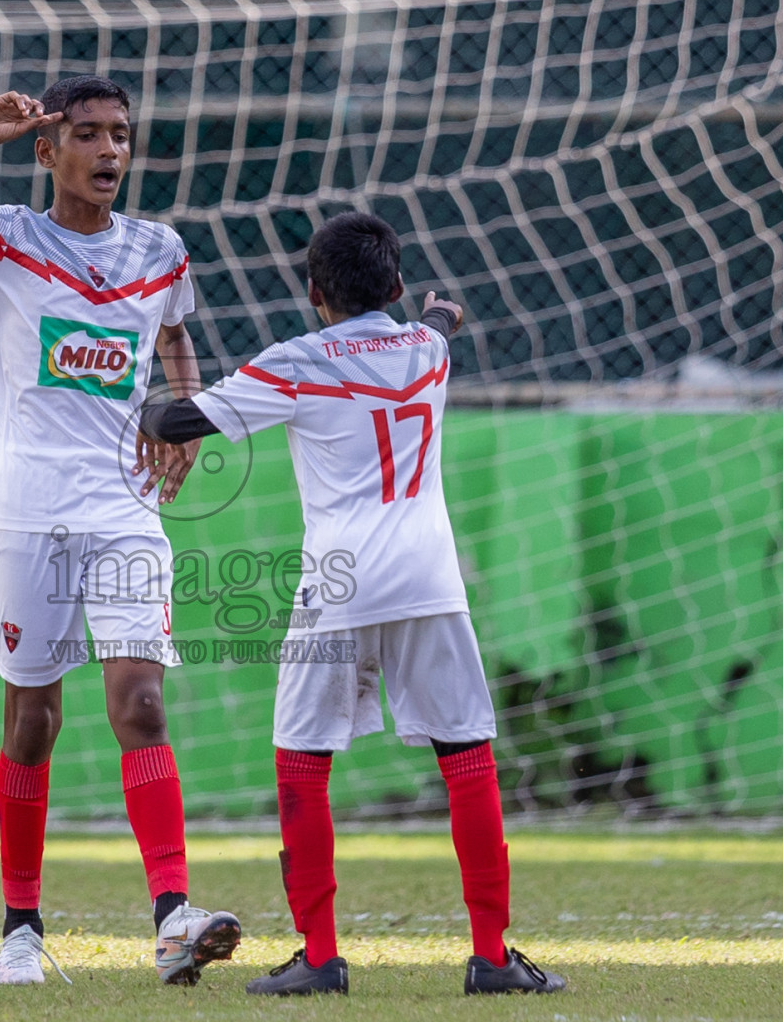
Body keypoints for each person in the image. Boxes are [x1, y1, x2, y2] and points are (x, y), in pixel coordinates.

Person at [0, 75, 240, 987]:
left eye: (121, 134)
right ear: (47, 150)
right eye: (90, 135)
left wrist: (180, 415)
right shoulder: (0, 241)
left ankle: (174, 918)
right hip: (26, 510)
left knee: (141, 700)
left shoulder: (160, 250)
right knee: (34, 717)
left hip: (123, 511)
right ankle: (20, 930)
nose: (110, 151)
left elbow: (177, 333)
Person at [140, 212, 566, 997]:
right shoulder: (426, 349)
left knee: (304, 761)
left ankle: (322, 956)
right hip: (432, 582)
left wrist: (135, 399)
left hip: (339, 584)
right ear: (396, 286)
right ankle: (492, 957)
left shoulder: (296, 362)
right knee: (466, 756)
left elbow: (177, 418)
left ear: (313, 292)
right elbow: (440, 323)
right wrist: (439, 312)